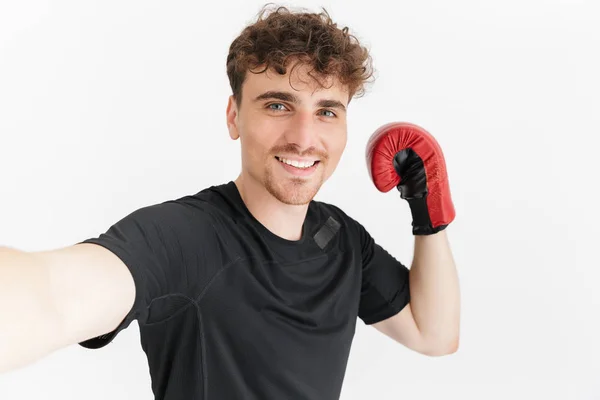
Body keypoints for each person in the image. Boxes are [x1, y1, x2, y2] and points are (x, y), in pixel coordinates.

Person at [0, 5, 460, 399]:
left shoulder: (340, 238)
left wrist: (429, 211)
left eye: (325, 111)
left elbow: (434, 334)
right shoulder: (183, 236)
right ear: (234, 116)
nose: (304, 138)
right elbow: (51, 298)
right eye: (278, 105)